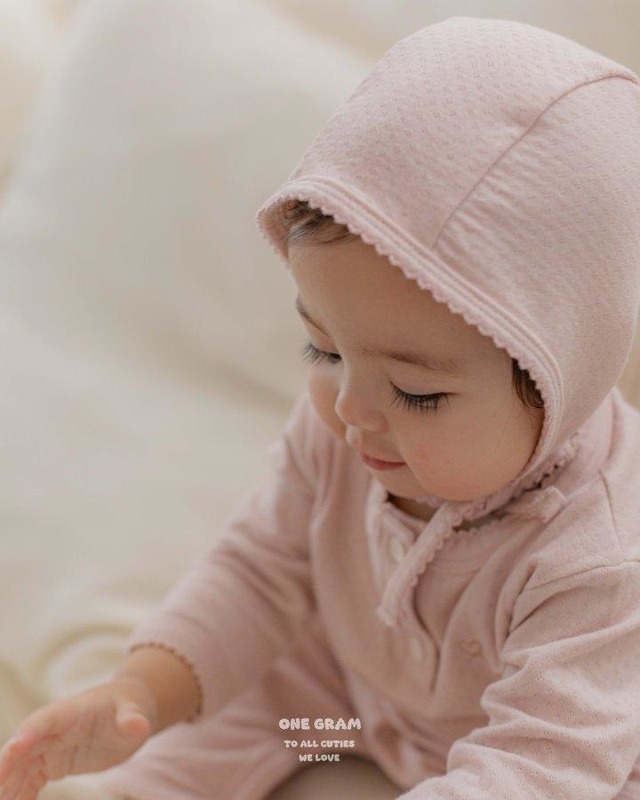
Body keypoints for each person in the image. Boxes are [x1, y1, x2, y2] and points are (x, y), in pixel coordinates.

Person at [2, 14, 640, 800]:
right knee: (244, 708)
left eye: (416, 392)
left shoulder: (603, 560)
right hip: (345, 712)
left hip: (545, 749)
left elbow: (543, 766)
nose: (351, 410)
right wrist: (140, 692)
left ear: (557, 382)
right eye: (325, 351)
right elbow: (260, 569)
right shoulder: (343, 426)